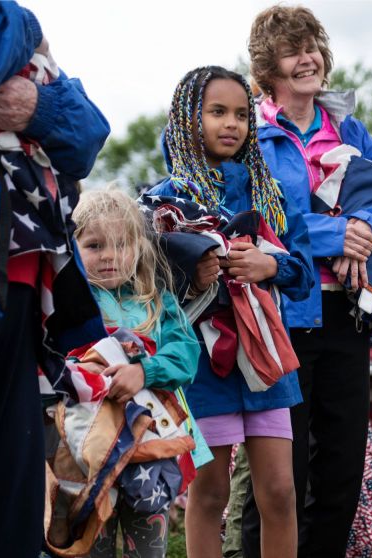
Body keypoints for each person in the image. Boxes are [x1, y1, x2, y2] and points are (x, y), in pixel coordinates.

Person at [243, 6, 372, 556]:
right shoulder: (249, 130)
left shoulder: (349, 129)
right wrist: (329, 236)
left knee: (341, 468)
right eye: (293, 50)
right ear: (269, 67)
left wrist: (366, 224)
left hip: (350, 312)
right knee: (279, 475)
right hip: (280, 314)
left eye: (312, 46)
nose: (307, 58)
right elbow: (248, 215)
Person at [146, 66, 313, 558]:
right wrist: (187, 273)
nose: (232, 124)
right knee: (212, 490)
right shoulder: (164, 198)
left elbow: (302, 274)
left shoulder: (270, 196)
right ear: (186, 118)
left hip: (266, 359)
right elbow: (143, 279)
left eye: (242, 114)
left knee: (280, 491)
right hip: (204, 363)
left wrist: (269, 264)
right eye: (217, 111)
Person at [0, 3, 109, 556]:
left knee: (8, 506)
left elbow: (89, 133)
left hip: (21, 292)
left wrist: (39, 108)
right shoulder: (6, 28)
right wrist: (30, 29)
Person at [71, 189, 201, 557]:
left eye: (121, 244)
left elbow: (187, 354)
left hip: (152, 449)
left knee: (147, 547)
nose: (110, 256)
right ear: (74, 246)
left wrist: (144, 371)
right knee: (87, 546)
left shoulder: (157, 300)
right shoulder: (68, 303)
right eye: (95, 246)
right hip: (89, 452)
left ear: (139, 248)